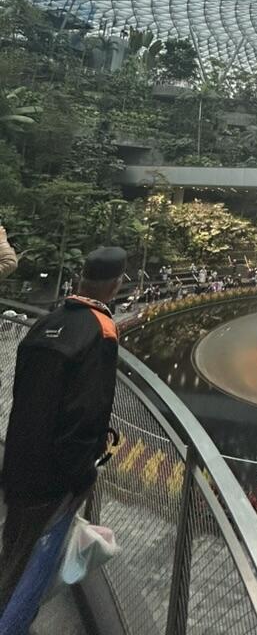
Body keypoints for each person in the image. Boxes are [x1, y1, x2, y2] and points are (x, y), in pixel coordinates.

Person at [0, 246, 126, 612]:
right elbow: (88, 411)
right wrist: (81, 473)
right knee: (30, 576)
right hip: (55, 479)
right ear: (115, 286)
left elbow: (21, 392)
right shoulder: (101, 331)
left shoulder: (44, 324)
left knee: (14, 555)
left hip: (19, 464)